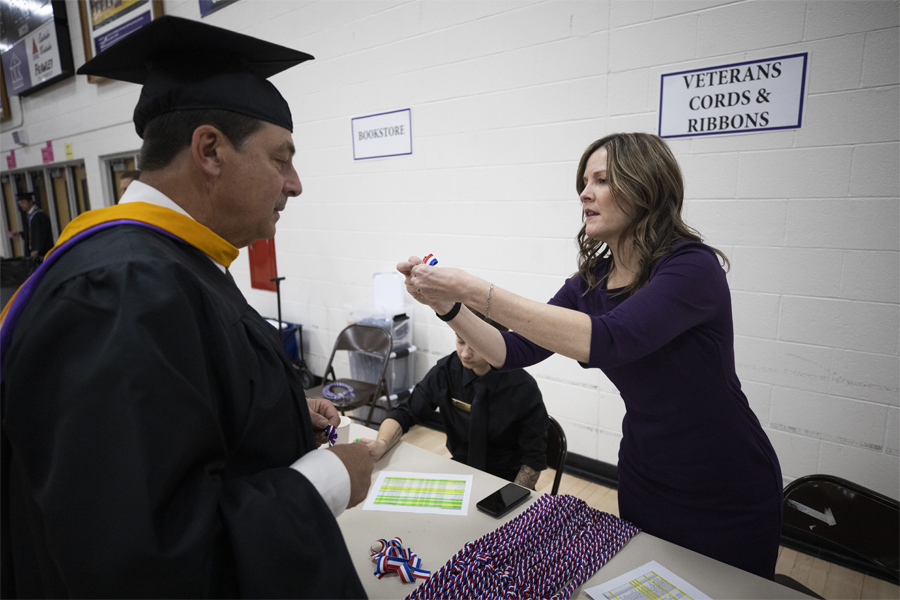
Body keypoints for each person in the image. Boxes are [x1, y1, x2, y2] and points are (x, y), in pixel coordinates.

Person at [1, 16, 372, 599]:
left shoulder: (166, 264)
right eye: (281, 159)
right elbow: (146, 564)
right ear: (209, 150)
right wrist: (328, 478)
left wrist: (281, 412)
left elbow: (174, 423)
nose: (295, 184)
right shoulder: (121, 291)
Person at [398, 132, 783, 580]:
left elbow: (608, 339)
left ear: (646, 186)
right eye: (584, 181)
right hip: (646, 471)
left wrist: (469, 288)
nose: (584, 193)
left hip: (725, 481)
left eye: (601, 179)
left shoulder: (691, 268)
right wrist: (448, 307)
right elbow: (509, 350)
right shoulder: (593, 279)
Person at [361, 309, 548, 489]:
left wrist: (510, 499)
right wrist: (382, 444)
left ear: (499, 341)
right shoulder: (446, 371)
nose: (465, 354)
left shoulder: (523, 388)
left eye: (476, 345)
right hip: (458, 469)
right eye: (460, 341)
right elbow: (405, 412)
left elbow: (533, 460)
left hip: (505, 480)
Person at [12, 192, 54, 258]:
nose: (21, 205)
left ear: (30, 202)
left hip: (41, 252)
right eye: (19, 203)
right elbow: (33, 232)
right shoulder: (31, 215)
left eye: (23, 202)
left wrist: (36, 250)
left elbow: (40, 233)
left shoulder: (38, 216)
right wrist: (21, 234)